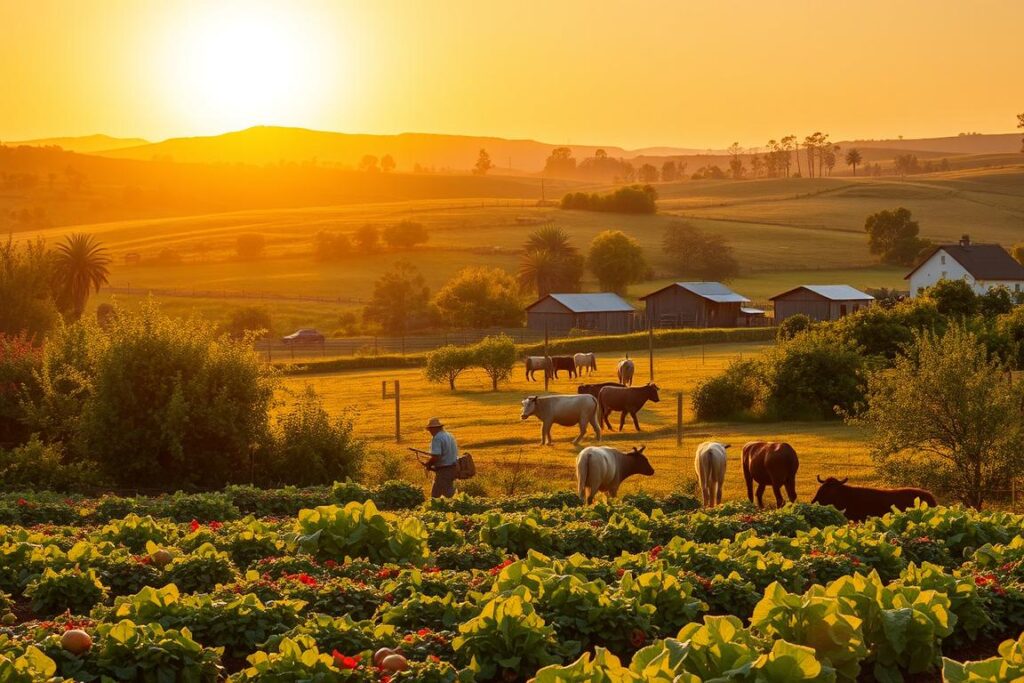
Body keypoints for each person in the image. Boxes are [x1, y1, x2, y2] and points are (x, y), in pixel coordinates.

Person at [424, 417, 458, 498]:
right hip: (453, 468)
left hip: (444, 471)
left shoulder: (437, 438)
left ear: (434, 428)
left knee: (449, 495)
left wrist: (428, 464)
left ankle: (457, 507)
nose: (430, 432)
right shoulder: (449, 435)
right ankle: (433, 508)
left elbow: (436, 456)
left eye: (430, 429)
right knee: (435, 495)